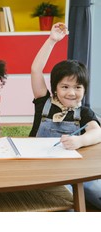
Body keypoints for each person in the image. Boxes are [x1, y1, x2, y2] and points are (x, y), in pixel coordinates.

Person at [30, 22, 101, 209]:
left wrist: (80, 141)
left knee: (97, 190)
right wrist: (52, 40)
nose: (71, 93)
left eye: (78, 87)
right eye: (65, 87)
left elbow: (97, 132)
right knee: (66, 203)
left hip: (73, 169)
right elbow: (36, 70)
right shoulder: (43, 102)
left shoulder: (83, 112)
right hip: (42, 169)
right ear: (54, 88)